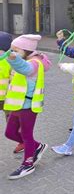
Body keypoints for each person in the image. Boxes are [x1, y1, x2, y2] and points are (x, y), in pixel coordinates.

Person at [3, 34, 50, 179]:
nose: (13, 53)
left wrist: (12, 58)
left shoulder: (35, 62)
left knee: (26, 135)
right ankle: (37, 146)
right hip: (16, 105)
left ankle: (28, 164)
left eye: (16, 50)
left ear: (26, 50)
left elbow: (25, 69)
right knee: (9, 133)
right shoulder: (23, 58)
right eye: (12, 50)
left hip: (28, 106)